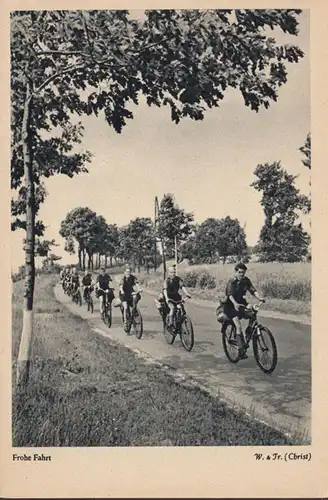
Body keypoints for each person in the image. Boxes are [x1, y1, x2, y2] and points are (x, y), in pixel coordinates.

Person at [221, 262, 265, 359]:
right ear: (236, 272)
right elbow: (230, 295)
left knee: (253, 312)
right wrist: (235, 304)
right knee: (238, 326)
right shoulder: (231, 281)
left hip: (241, 302)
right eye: (240, 272)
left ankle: (249, 330)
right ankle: (241, 350)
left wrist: (259, 298)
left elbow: (252, 290)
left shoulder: (246, 280)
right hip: (230, 305)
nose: (242, 274)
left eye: (243, 273)